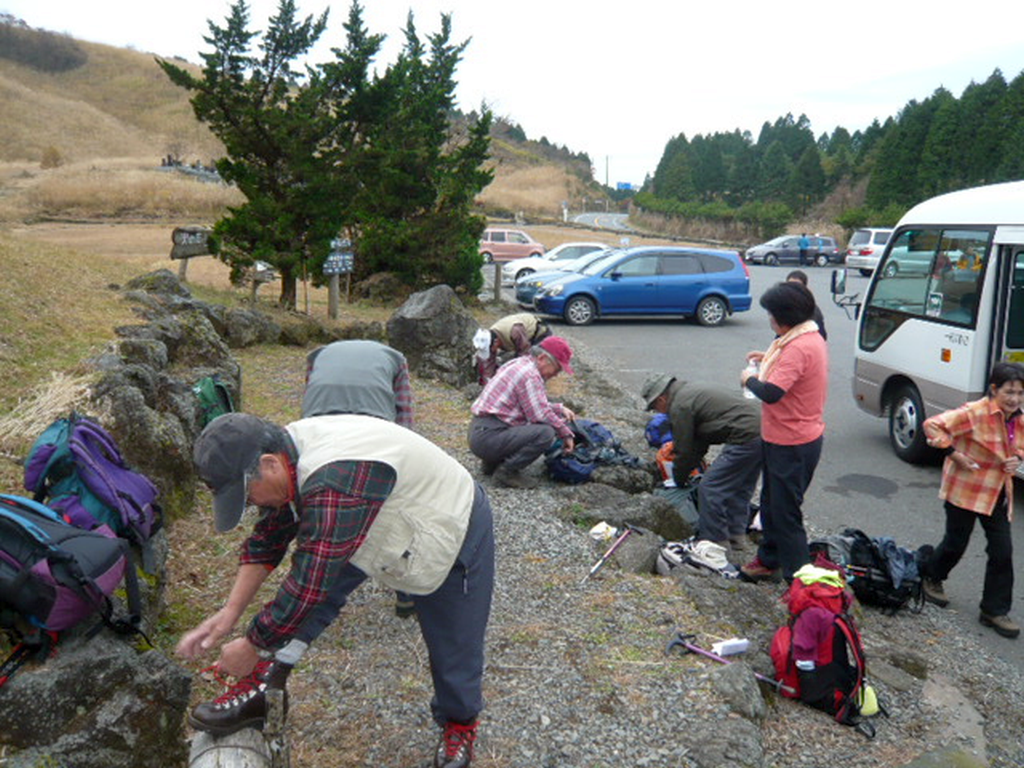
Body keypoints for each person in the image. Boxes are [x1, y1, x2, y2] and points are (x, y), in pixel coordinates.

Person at [178, 413, 494, 768]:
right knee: (311, 599)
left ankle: (459, 723)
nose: (253, 505)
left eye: (248, 496)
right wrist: (230, 612)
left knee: (454, 639)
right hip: (371, 516)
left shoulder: (336, 478)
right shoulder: (287, 455)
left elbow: (310, 581)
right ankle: (264, 685)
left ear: (268, 465)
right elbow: (270, 536)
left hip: (448, 517)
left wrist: (254, 643)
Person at [302, 339, 416, 618]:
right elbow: (404, 413)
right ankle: (406, 593)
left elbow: (308, 404)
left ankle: (311, 592)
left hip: (320, 430)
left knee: (321, 511)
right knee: (393, 508)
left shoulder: (317, 355)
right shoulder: (396, 358)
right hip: (375, 428)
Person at [918, 362, 1024, 639]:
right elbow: (932, 426)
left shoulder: (1019, 417)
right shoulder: (975, 413)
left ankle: (994, 610)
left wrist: (1018, 459)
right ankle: (932, 575)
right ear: (994, 389)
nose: (1014, 399)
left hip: (997, 490)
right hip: (965, 487)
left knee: (1002, 551)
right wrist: (953, 453)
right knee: (956, 543)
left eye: (1020, 393)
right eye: (1009, 392)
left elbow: (1021, 446)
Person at [739, 281, 828, 583]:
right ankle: (769, 559)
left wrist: (748, 378)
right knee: (771, 505)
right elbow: (790, 372)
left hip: (793, 443)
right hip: (784, 438)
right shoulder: (804, 336)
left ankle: (800, 583)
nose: (769, 319)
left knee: (787, 514)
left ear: (784, 317)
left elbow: (772, 392)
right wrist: (766, 359)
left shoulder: (800, 346)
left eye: (771, 314)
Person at [641, 373, 762, 551]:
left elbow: (685, 450)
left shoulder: (679, 406)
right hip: (768, 428)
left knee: (710, 486)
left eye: (654, 407)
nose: (658, 412)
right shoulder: (690, 390)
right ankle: (736, 538)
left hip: (746, 435)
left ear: (661, 399)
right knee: (741, 486)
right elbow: (699, 442)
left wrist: (679, 479)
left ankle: (714, 543)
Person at [469, 336, 576, 489]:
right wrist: (565, 433)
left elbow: (530, 403)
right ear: (542, 358)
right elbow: (539, 415)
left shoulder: (520, 363)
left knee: (532, 424)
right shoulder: (530, 375)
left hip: (480, 431)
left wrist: (559, 408)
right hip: (488, 437)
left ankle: (491, 463)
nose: (556, 374)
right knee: (545, 433)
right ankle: (506, 473)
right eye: (557, 368)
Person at [302, 339, 414, 428]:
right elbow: (404, 408)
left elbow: (309, 393)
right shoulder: (396, 359)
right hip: (375, 414)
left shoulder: (318, 355)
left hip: (319, 412)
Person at [478, 313, 552, 382]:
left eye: (490, 350)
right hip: (518, 342)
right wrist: (488, 382)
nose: (490, 352)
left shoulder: (515, 331)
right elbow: (488, 365)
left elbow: (525, 355)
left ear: (496, 342)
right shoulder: (489, 338)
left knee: (533, 365)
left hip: (539, 334)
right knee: (504, 362)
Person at [785, 270, 828, 341]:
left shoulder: (811, 310)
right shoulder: (785, 307)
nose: (792, 290)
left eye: (797, 287)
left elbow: (821, 336)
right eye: (790, 286)